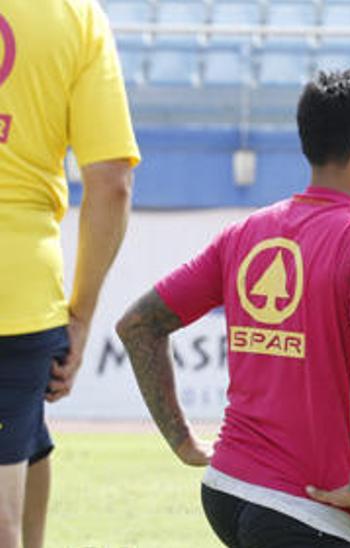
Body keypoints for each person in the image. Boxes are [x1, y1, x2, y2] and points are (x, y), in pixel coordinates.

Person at [115, 70, 350, 547]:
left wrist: (182, 441)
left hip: (226, 490)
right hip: (308, 509)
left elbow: (138, 325)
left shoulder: (247, 232)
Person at [0, 1, 140, 545]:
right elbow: (111, 181)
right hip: (19, 296)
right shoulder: (74, 15)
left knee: (26, 440)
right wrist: (80, 315)